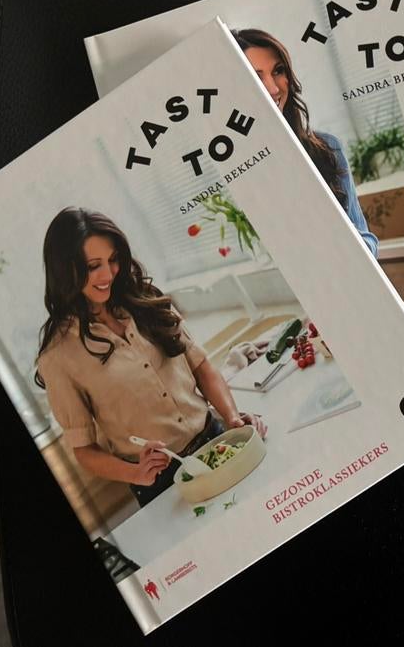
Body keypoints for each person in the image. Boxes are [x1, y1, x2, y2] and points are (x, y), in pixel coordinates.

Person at [36, 208, 267, 507]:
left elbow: (201, 367)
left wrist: (232, 416)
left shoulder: (146, 300)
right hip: (159, 483)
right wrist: (135, 473)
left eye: (113, 259)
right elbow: (84, 450)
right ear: (65, 270)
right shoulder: (57, 357)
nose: (107, 274)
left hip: (216, 440)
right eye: (93, 266)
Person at [232, 28, 379, 258]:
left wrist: (347, 244)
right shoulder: (237, 168)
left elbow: (366, 238)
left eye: (278, 71)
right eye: (256, 77)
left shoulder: (327, 148)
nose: (273, 88)